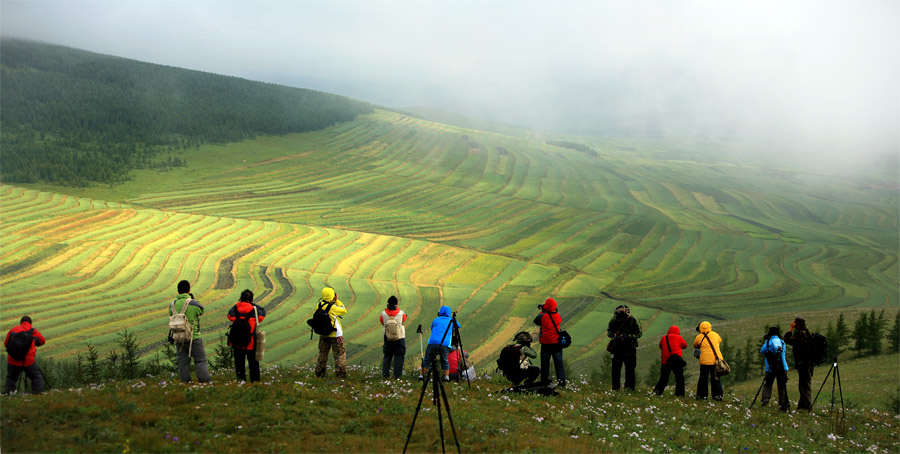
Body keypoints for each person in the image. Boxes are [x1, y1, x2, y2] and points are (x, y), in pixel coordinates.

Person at [170, 280, 211, 383]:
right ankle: (205, 383)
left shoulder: (172, 305)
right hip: (194, 337)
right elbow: (201, 310)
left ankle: (185, 383)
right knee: (200, 361)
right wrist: (192, 299)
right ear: (189, 290)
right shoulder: (193, 303)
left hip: (179, 337)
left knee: (183, 362)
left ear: (178, 291)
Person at [226, 289, 266, 382]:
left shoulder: (235, 308)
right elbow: (262, 316)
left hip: (237, 341)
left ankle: (241, 380)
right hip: (251, 341)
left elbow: (230, 317)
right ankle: (255, 381)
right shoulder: (255, 309)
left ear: (241, 298)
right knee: (253, 362)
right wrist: (253, 305)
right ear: (252, 299)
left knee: (239, 362)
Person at [3, 316, 46, 395]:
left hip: (13, 360)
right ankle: (38, 395)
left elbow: (6, 344)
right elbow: (42, 341)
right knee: (36, 377)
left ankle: (8, 395)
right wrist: (34, 341)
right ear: (30, 323)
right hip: (28, 361)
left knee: (11, 378)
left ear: (21, 322)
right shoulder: (33, 331)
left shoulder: (13, 330)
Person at [314, 286, 348, 378]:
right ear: (333, 296)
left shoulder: (319, 305)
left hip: (323, 334)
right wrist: (337, 300)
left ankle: (319, 374)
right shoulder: (332, 308)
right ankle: (340, 376)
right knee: (339, 355)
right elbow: (343, 310)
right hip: (335, 335)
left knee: (322, 354)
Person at [607, 304, 642, 391]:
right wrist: (613, 335)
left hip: (630, 347)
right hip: (617, 348)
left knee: (630, 369)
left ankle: (629, 388)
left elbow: (639, 333)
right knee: (615, 370)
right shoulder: (613, 320)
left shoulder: (633, 320)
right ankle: (616, 388)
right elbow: (609, 331)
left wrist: (627, 336)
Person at [420, 305, 459, 381]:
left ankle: (421, 375)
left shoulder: (436, 320)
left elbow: (432, 328)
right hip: (445, 343)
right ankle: (446, 377)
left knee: (427, 359)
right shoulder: (451, 320)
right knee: (444, 360)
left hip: (432, 342)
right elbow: (458, 326)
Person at [533, 298, 566, 387]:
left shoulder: (543, 316)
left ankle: (544, 382)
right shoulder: (559, 316)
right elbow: (556, 314)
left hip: (546, 345)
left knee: (545, 365)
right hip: (556, 344)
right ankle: (561, 382)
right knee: (559, 364)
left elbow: (536, 321)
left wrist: (543, 311)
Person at [784, 317, 814, 410]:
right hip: (809, 363)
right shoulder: (808, 333)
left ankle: (808, 406)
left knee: (805, 385)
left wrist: (790, 328)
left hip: (803, 363)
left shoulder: (800, 334)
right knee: (803, 384)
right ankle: (802, 405)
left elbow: (788, 340)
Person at [760, 326, 790, 412]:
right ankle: (783, 404)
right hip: (782, 367)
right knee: (782, 386)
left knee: (768, 384)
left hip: (770, 368)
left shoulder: (769, 341)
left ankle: (765, 400)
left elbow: (762, 350)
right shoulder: (781, 341)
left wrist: (766, 341)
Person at [692, 321, 724, 400]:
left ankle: (702, 396)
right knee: (716, 378)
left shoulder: (699, 336)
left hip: (704, 361)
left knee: (703, 378)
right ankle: (717, 396)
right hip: (716, 360)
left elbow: (695, 345)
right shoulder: (715, 334)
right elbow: (719, 341)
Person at [653, 325, 687, 396]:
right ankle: (679, 394)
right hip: (676, 361)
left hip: (666, 361)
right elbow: (685, 345)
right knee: (679, 379)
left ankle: (657, 392)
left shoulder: (664, 338)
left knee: (664, 378)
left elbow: (660, 346)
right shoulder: (679, 338)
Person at [379, 295, 407, 379]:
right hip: (400, 338)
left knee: (387, 356)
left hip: (387, 338)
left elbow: (382, 322)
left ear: (388, 304)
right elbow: (404, 320)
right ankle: (397, 375)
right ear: (396, 304)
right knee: (399, 356)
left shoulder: (383, 314)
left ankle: (385, 374)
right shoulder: (401, 313)